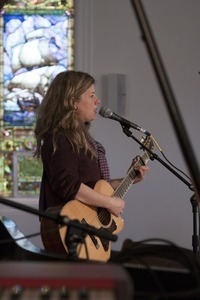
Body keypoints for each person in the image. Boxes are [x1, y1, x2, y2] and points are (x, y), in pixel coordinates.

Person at [34, 70, 149, 259]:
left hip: (86, 231)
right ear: (72, 101)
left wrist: (129, 178)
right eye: (91, 95)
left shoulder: (80, 139)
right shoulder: (62, 138)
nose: (98, 101)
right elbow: (68, 185)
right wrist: (110, 202)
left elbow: (93, 186)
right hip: (72, 230)